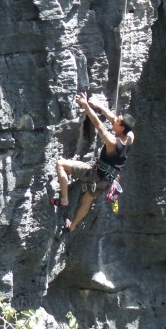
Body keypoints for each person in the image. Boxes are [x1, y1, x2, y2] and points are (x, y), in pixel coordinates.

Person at [50, 93, 135, 233]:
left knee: (60, 164)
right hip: (107, 181)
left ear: (121, 128)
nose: (114, 120)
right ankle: (72, 226)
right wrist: (100, 106)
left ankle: (64, 200)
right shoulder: (130, 136)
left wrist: (85, 105)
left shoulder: (113, 142)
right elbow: (112, 118)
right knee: (88, 200)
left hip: (95, 175)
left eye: (117, 121)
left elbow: (98, 124)